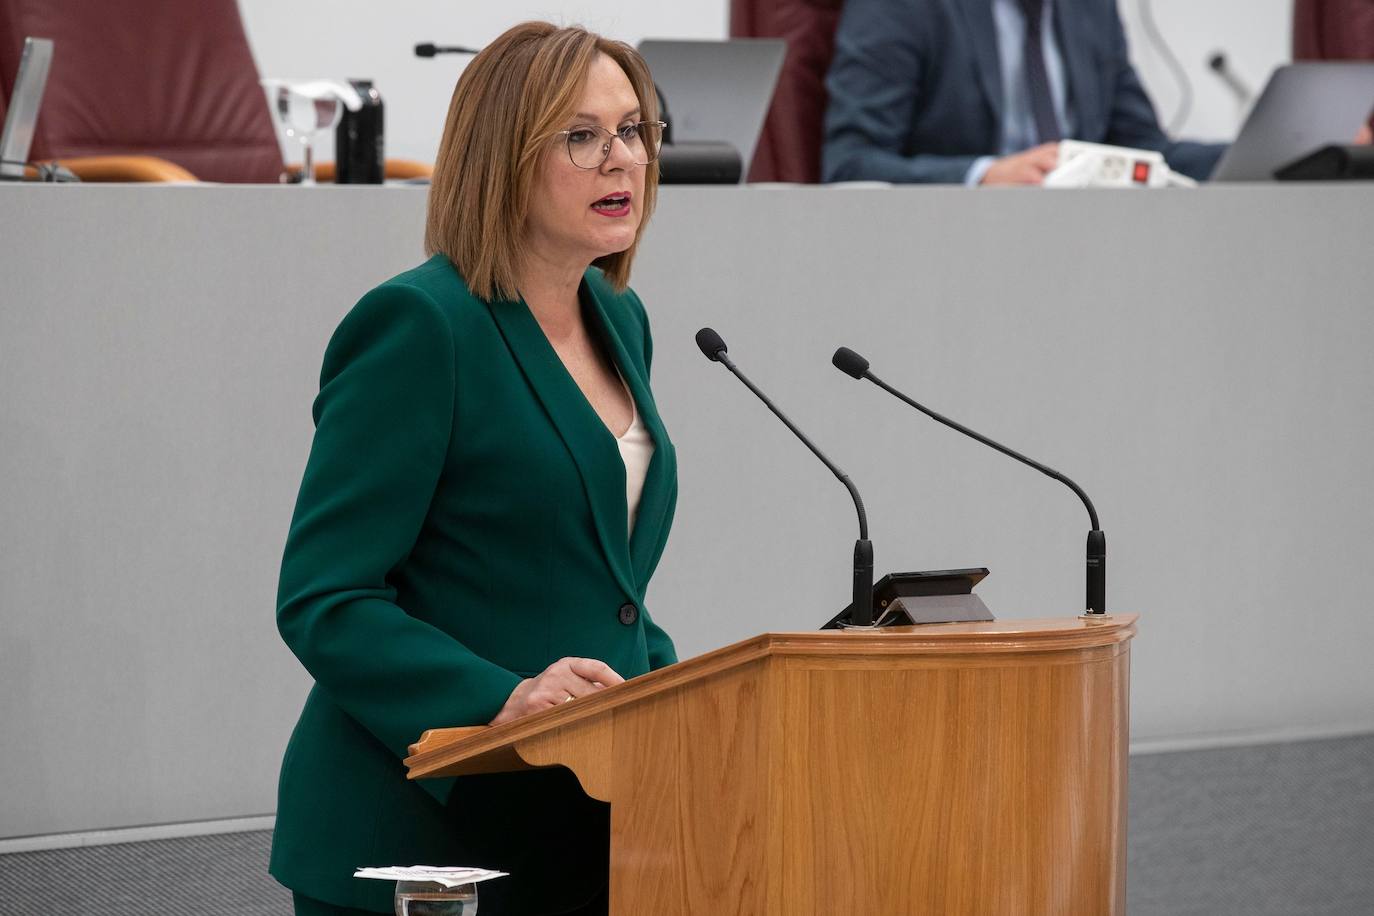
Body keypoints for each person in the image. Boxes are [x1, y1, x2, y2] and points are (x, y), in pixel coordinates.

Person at [269, 22, 677, 916]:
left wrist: (674, 693)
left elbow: (599, 579)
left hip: (578, 826)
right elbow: (326, 598)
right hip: (418, 839)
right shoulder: (421, 327)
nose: (623, 159)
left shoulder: (621, 317)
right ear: (504, 157)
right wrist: (500, 698)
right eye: (582, 135)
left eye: (634, 130)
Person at [822, 0, 1226, 185]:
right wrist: (984, 176)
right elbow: (851, 163)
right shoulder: (904, 8)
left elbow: (1144, 152)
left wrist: (1246, 158)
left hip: (1087, 249)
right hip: (953, 252)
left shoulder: (1092, 10)